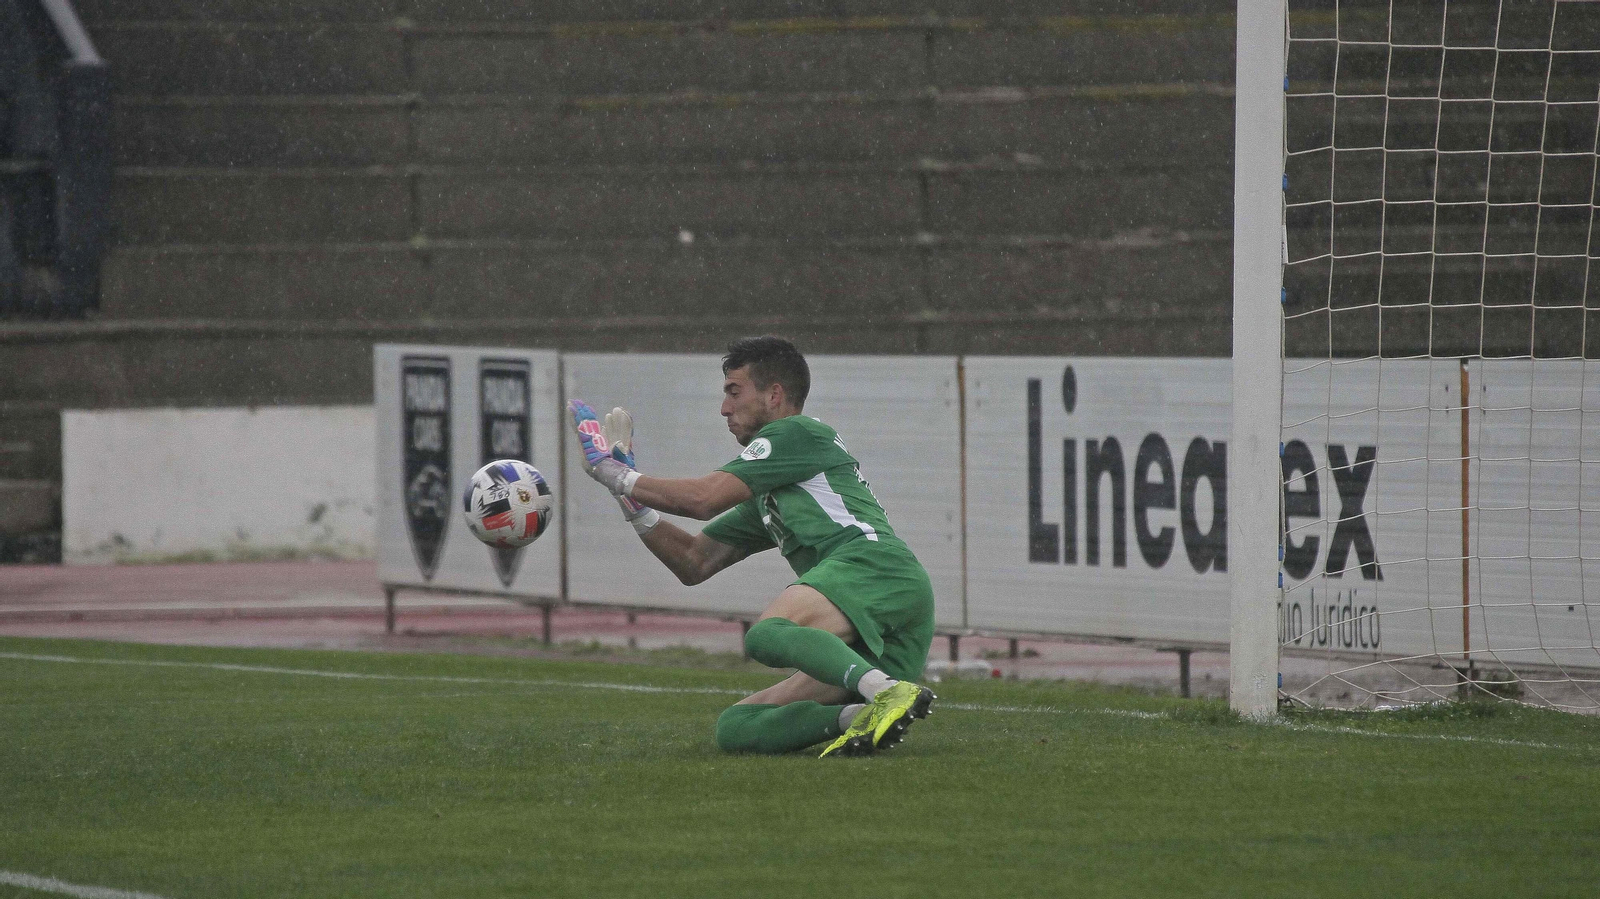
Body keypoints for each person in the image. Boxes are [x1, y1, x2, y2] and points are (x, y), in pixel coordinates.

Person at [567, 336, 937, 757]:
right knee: (736, 727)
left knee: (767, 635)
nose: (724, 408)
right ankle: (862, 716)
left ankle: (885, 691)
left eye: (734, 392)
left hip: (876, 569)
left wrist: (613, 472)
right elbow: (693, 561)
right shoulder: (771, 492)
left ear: (774, 395)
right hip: (879, 610)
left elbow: (703, 499)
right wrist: (628, 498)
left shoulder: (795, 432)